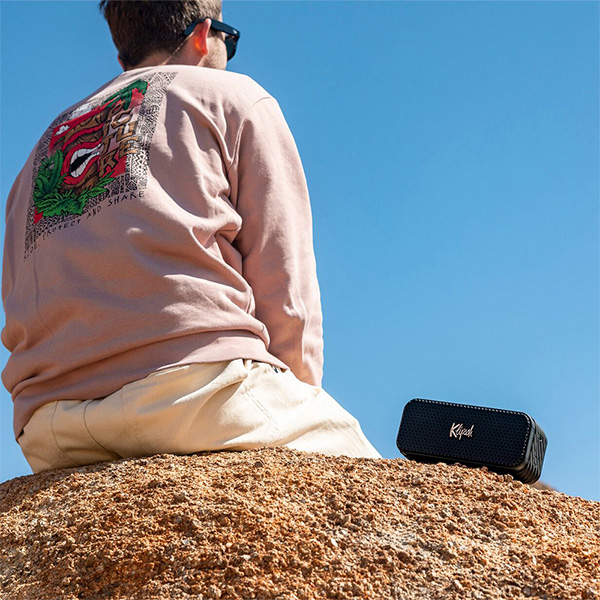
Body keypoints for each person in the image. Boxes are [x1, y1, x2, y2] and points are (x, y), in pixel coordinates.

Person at [1, 0, 381, 473]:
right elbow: (287, 289)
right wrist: (297, 396)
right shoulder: (233, 97)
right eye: (228, 41)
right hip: (196, 396)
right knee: (378, 480)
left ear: (122, 58)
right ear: (204, 35)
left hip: (52, 427)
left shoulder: (42, 149)